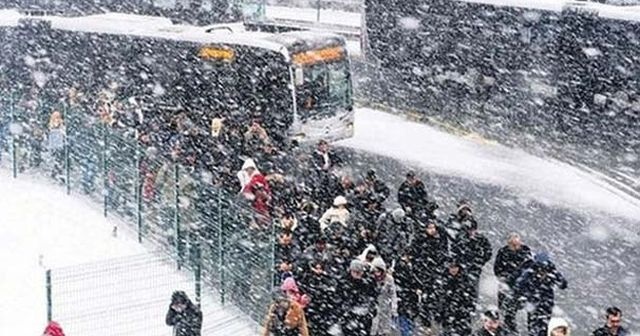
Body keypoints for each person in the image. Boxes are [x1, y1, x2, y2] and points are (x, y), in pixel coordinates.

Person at [513, 252, 568, 336]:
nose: (542, 270)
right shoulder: (530, 272)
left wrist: (554, 275)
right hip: (534, 305)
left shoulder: (551, 272)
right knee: (535, 328)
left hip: (543, 305)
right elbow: (519, 285)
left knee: (541, 328)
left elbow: (563, 284)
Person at [494, 232, 533, 333]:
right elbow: (497, 268)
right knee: (505, 312)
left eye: (516, 239)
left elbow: (529, 267)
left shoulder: (525, 251)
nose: (514, 242)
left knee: (520, 309)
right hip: (506, 285)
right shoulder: (503, 251)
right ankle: (508, 330)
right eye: (511, 240)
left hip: (520, 286)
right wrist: (504, 277)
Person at [336, 259, 379, 336]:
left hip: (363, 317)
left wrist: (370, 312)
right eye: (355, 272)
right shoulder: (343, 282)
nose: (357, 274)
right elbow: (339, 299)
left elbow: (373, 298)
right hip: (348, 316)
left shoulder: (367, 283)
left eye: (359, 272)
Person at [370, 257, 399, 336]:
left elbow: (393, 294)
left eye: (378, 271)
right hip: (374, 308)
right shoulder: (370, 279)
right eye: (375, 271)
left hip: (385, 307)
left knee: (384, 331)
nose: (377, 273)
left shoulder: (389, 279)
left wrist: (394, 307)